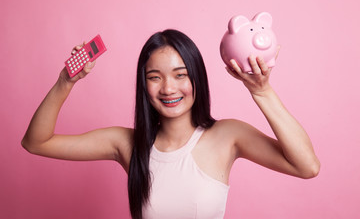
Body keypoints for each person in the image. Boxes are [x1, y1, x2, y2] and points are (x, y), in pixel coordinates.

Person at [22, 29, 320, 219]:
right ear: (143, 84)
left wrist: (261, 91)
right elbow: (36, 142)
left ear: (196, 79)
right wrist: (65, 82)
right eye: (155, 77)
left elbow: (307, 166)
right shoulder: (126, 144)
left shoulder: (228, 135)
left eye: (180, 75)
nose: (168, 88)